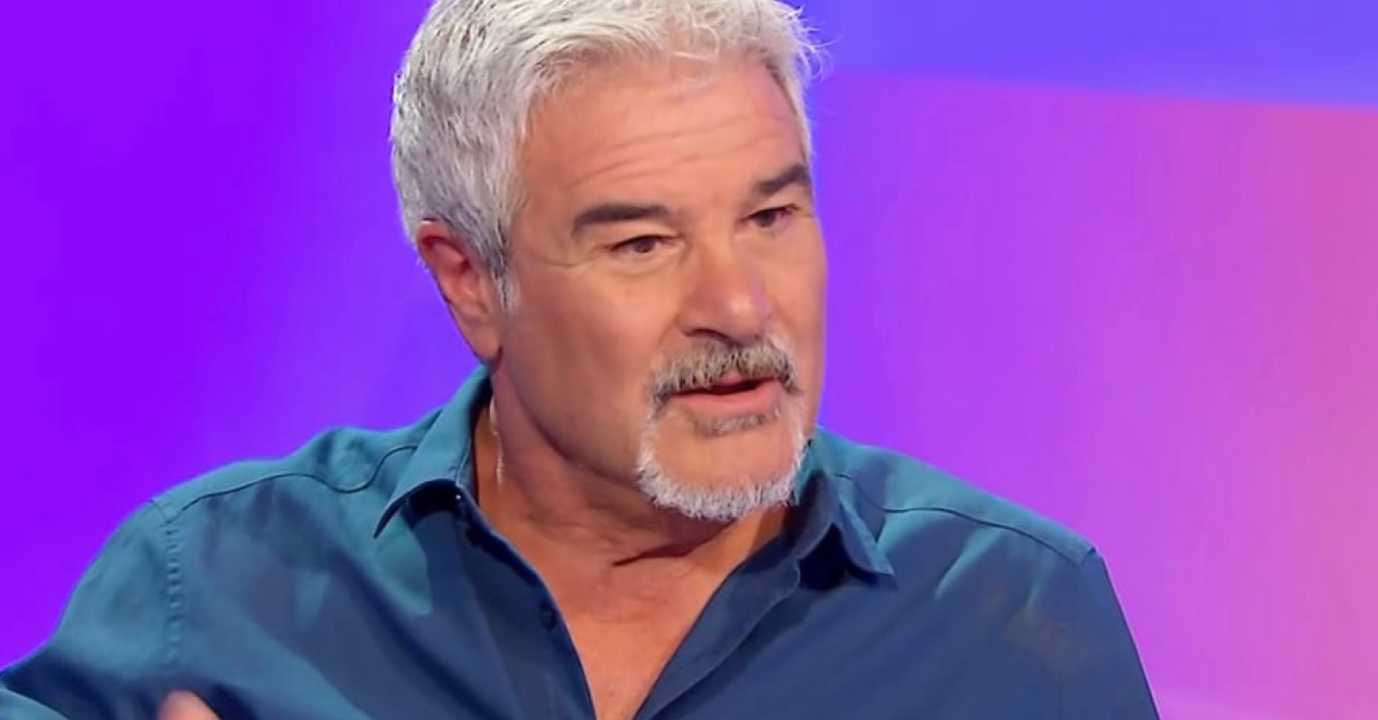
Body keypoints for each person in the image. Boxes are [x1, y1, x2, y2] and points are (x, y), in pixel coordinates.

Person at [0, 1, 1158, 718]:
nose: (739, 305)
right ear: (470, 280)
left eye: (770, 217)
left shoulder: (1008, 617)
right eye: (642, 243)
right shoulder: (213, 588)